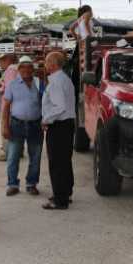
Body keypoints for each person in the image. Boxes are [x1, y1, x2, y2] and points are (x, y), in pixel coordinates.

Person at [2, 55, 43, 196]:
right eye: (23, 67)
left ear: (33, 69)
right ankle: (12, 184)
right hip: (16, 124)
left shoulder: (39, 83)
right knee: (13, 156)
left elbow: (45, 103)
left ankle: (31, 184)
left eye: (29, 67)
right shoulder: (12, 85)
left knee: (35, 157)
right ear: (18, 69)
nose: (26, 70)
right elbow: (6, 106)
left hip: (36, 125)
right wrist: (4, 126)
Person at [41, 52, 76, 210]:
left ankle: (60, 199)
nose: (45, 65)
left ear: (53, 64)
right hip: (66, 124)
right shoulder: (65, 79)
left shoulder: (56, 82)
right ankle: (65, 192)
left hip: (59, 125)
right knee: (64, 161)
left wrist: (46, 119)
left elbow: (59, 106)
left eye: (47, 62)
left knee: (57, 162)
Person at [0, 53, 18, 162]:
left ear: (7, 60)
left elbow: (9, 89)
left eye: (0, 61)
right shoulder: (16, 69)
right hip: (15, 106)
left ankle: (7, 152)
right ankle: (17, 151)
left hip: (8, 106)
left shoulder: (10, 70)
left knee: (6, 128)